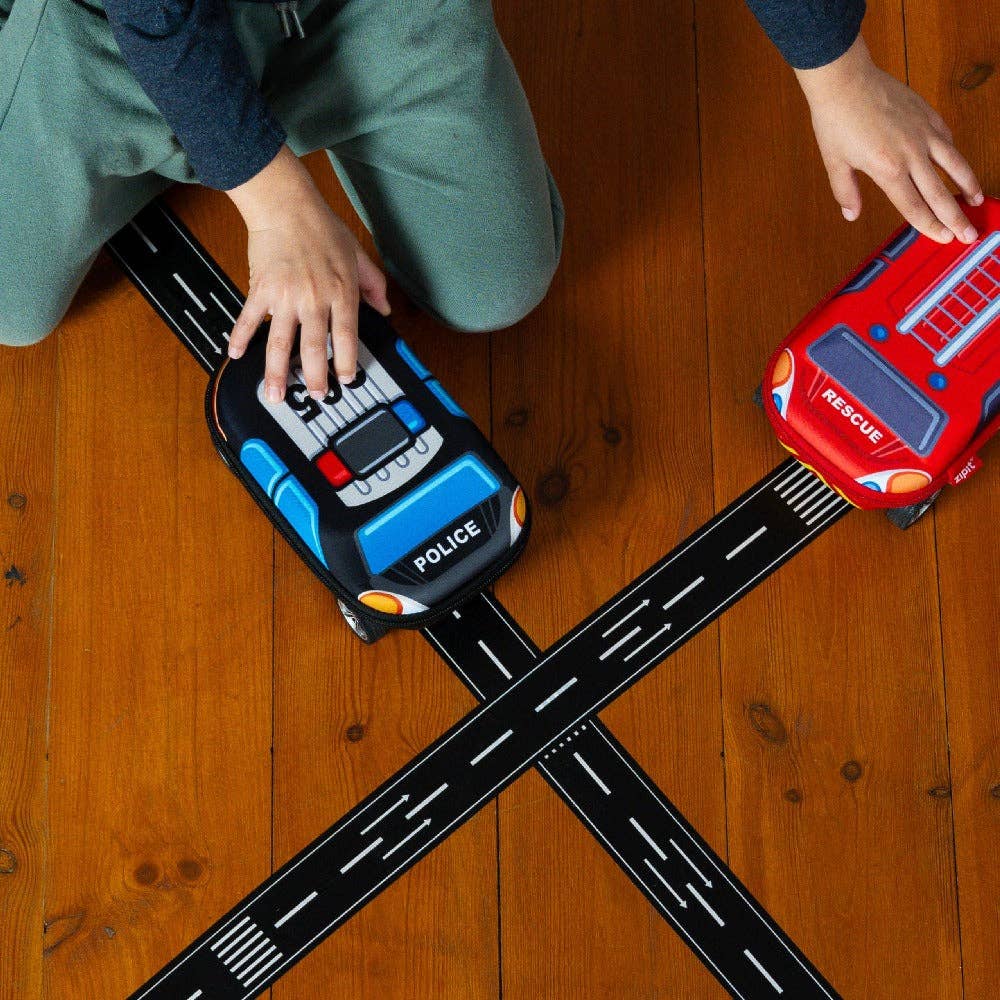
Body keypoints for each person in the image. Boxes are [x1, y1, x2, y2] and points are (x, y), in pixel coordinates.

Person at [0, 0, 983, 408]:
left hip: (361, 11)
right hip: (109, 34)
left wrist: (838, 73)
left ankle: (242, 116)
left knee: (497, 284)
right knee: (12, 308)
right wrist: (275, 203)